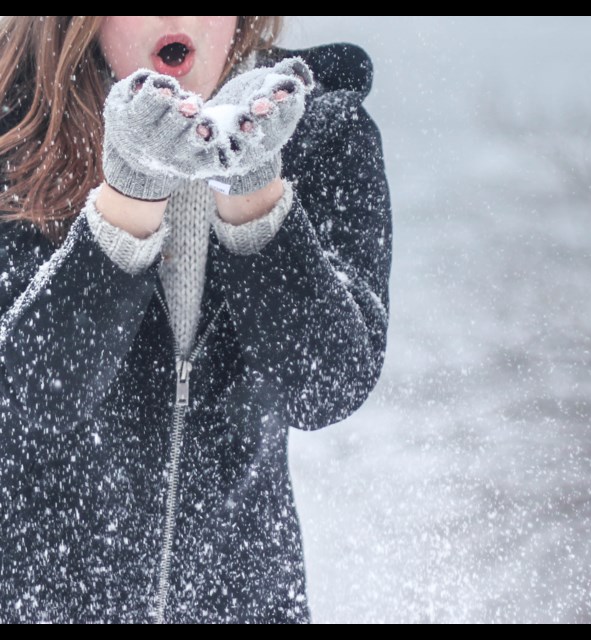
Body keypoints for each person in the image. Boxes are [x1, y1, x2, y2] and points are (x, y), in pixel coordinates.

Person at [0, 16, 392, 624]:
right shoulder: (14, 136)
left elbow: (326, 387)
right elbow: (27, 397)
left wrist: (254, 192)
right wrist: (130, 196)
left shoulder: (321, 133)